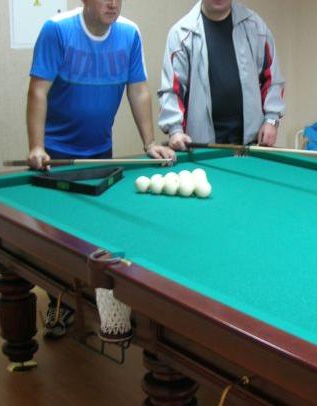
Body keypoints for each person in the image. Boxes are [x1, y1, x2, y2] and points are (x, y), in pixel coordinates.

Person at [26, 0, 174, 338]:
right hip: (57, 157)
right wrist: (36, 146)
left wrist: (149, 142)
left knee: (93, 234)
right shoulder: (57, 30)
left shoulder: (129, 33)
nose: (113, 3)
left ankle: (97, 301)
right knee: (60, 239)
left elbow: (138, 89)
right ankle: (59, 300)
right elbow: (38, 90)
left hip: (100, 154)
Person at [158, 0, 285, 151]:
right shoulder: (181, 34)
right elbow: (172, 90)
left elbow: (272, 79)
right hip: (201, 146)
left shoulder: (255, 27)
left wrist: (271, 120)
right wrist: (175, 131)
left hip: (251, 144)